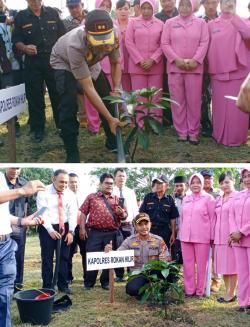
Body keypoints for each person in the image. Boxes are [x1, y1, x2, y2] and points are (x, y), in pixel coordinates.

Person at [50, 9, 123, 162]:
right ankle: (72, 152)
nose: (102, 43)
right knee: (68, 105)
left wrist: (116, 88)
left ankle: (112, 142)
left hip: (90, 61)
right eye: (97, 39)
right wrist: (110, 118)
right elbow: (88, 88)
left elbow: (116, 62)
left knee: (107, 96)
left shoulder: (115, 34)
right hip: (64, 62)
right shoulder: (75, 45)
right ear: (87, 34)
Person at [12, 0, 66, 143]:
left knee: (57, 93)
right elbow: (16, 39)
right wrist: (24, 48)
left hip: (53, 60)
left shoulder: (53, 13)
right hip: (32, 62)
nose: (35, 2)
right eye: (32, 0)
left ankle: (62, 125)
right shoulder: (21, 17)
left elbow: (63, 35)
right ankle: (38, 129)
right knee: (35, 96)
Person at [0, 173, 45, 327]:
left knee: (5, 293)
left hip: (5, 243)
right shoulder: (17, 187)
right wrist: (21, 191)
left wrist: (22, 220)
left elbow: (2, 213)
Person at [161, 0, 209, 144]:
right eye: (182, 4)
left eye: (188, 5)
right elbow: (165, 43)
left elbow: (204, 42)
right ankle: (181, 131)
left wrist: (195, 60)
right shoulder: (169, 23)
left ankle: (193, 132)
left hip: (194, 69)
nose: (184, 8)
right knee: (177, 102)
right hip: (175, 68)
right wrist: (176, 60)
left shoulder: (201, 23)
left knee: (194, 102)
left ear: (193, 6)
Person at [207, 0, 250, 147]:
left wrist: (234, 16)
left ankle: (237, 138)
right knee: (218, 106)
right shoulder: (212, 25)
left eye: (231, 1)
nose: (228, 3)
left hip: (238, 71)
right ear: (220, 4)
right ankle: (218, 135)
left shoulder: (243, 21)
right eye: (225, 1)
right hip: (218, 72)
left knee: (236, 107)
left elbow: (247, 34)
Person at [104, 212, 171, 297]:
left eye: (146, 224)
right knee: (131, 289)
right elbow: (117, 255)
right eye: (140, 224)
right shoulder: (129, 241)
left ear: (150, 224)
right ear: (135, 226)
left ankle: (160, 291)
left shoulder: (158, 240)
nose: (144, 227)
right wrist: (109, 251)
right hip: (138, 273)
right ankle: (144, 289)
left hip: (155, 272)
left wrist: (164, 258)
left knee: (171, 272)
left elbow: (168, 258)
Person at [79, 173, 127, 290]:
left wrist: (122, 214)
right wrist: (82, 228)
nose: (109, 185)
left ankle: (105, 282)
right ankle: (89, 283)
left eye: (111, 183)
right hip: (95, 232)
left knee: (108, 258)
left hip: (112, 233)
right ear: (101, 184)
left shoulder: (118, 199)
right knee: (92, 257)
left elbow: (125, 216)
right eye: (106, 183)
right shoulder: (92, 197)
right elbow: (83, 212)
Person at [36, 169, 78, 294]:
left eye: (66, 182)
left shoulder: (70, 194)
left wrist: (71, 232)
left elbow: (72, 214)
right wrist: (49, 230)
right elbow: (42, 213)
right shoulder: (43, 192)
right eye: (61, 182)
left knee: (64, 257)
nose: (64, 185)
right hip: (47, 227)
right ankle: (47, 286)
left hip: (65, 227)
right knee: (47, 258)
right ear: (53, 179)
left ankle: (63, 285)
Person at [125, 0, 164, 128]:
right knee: (139, 96)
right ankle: (140, 124)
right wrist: (140, 60)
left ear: (154, 9)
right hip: (137, 66)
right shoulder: (133, 22)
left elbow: (163, 44)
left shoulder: (160, 24)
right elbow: (129, 42)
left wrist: (153, 59)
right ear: (140, 8)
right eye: (144, 8)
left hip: (155, 65)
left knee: (155, 96)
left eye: (149, 8)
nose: (146, 11)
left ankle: (155, 124)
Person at [180, 173, 215, 297]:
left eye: (198, 182)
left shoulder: (209, 198)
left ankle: (200, 290)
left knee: (202, 266)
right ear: (189, 184)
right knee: (188, 265)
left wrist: (212, 237)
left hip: (202, 237)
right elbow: (182, 218)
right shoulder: (186, 198)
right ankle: (189, 290)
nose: (195, 185)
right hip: (185, 237)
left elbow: (212, 219)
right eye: (193, 182)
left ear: (202, 184)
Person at [213, 172, 237, 303]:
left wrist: (234, 233)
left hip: (232, 237)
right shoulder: (219, 198)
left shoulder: (238, 197)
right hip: (219, 237)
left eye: (227, 182)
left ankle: (231, 293)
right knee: (224, 266)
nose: (224, 185)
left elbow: (240, 217)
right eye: (222, 183)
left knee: (233, 266)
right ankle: (228, 292)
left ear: (233, 181)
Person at [229, 168, 250, 312]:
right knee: (242, 272)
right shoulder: (239, 195)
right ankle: (243, 302)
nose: (247, 179)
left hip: (246, 236)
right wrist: (234, 232)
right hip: (238, 240)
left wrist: (242, 232)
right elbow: (231, 214)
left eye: (249, 176)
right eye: (245, 177)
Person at [5, 168, 29, 291]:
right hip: (3, 224)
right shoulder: (1, 181)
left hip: (19, 225)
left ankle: (17, 285)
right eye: (12, 167)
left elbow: (26, 203)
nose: (15, 170)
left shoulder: (25, 183)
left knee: (19, 256)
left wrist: (25, 221)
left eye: (18, 168)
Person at [113, 168, 138, 282]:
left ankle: (131, 273)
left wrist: (136, 224)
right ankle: (119, 275)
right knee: (118, 249)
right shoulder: (111, 191)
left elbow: (135, 209)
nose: (121, 178)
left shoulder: (130, 191)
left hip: (129, 225)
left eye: (123, 176)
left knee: (131, 249)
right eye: (119, 176)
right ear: (115, 178)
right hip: (116, 226)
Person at [139, 175, 178, 249]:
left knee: (163, 254)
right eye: (156, 183)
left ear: (166, 185)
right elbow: (142, 214)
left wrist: (173, 233)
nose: (157, 185)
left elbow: (173, 218)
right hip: (150, 230)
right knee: (150, 253)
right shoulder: (148, 197)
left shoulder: (170, 200)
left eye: (160, 183)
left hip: (165, 232)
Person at [200, 0, 220, 137]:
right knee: (204, 96)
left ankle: (220, 123)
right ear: (203, 5)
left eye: (213, 2)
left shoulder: (226, 20)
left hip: (221, 64)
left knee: (219, 96)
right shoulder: (199, 22)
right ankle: (206, 123)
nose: (210, 6)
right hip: (203, 65)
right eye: (207, 3)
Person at [200, 169, 220, 292]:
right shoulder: (196, 193)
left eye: (209, 178)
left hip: (217, 229)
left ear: (213, 180)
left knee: (216, 257)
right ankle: (203, 281)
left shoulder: (219, 193)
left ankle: (215, 281)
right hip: (201, 230)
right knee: (202, 257)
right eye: (205, 178)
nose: (207, 180)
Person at [67, 173, 87, 284]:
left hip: (83, 227)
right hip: (70, 228)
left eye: (75, 182)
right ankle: (68, 277)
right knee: (69, 254)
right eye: (71, 182)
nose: (74, 184)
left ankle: (87, 277)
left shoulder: (84, 195)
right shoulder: (65, 195)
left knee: (85, 252)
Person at [115, 0, 132, 92]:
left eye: (126, 9)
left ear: (130, 10)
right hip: (118, 63)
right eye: (120, 9)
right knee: (122, 91)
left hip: (133, 63)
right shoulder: (112, 24)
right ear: (116, 10)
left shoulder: (134, 23)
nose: (123, 11)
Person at [172, 175, 188, 263]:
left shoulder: (190, 198)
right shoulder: (172, 199)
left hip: (187, 232)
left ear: (186, 186)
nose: (179, 188)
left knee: (186, 257)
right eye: (176, 186)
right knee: (176, 257)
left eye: (181, 185)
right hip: (176, 233)